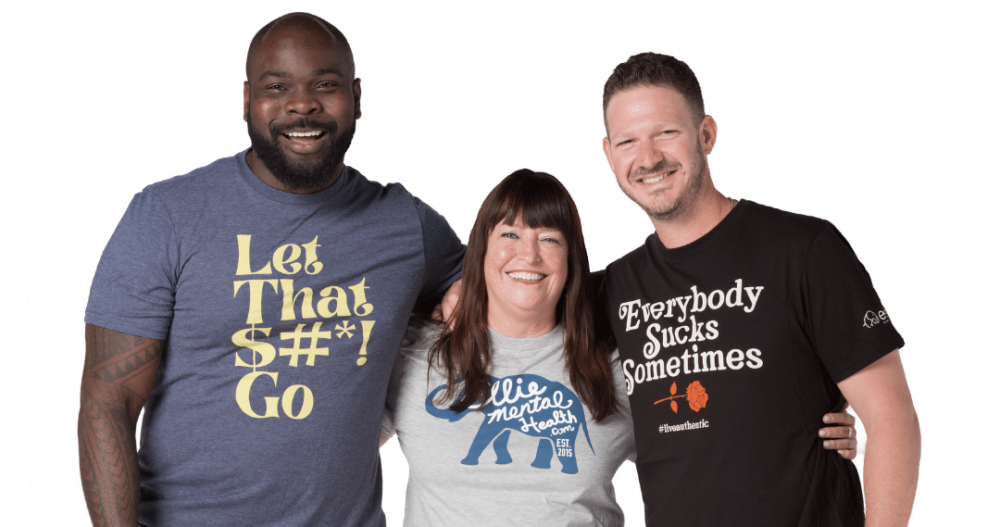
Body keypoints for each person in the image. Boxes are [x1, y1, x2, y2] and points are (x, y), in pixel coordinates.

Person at [75, 12, 464, 527]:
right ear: (246, 101)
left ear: (358, 97)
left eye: (325, 84)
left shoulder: (407, 225)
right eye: (276, 86)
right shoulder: (167, 217)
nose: (302, 104)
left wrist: (465, 292)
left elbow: (506, 288)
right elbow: (108, 401)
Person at [398, 169, 861, 526]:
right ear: (478, 250)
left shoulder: (616, 366)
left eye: (550, 239)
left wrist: (826, 420)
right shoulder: (416, 354)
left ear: (572, 260)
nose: (529, 255)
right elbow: (340, 443)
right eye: (510, 235)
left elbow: (718, 424)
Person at [597, 51, 922, 526]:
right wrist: (454, 294)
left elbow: (892, 418)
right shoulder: (613, 288)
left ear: (706, 134)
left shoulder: (804, 248)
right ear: (608, 154)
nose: (648, 158)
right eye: (628, 141)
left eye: (666, 133)